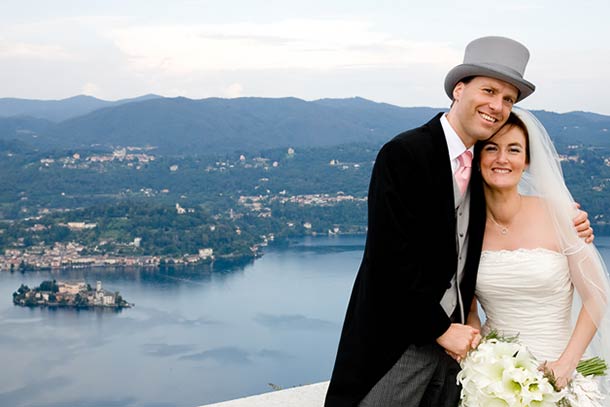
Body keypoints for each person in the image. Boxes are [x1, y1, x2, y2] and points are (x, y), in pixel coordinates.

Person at [324, 36, 594, 407]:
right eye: (489, 90)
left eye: (508, 99)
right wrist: (440, 330)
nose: (497, 105)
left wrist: (569, 218)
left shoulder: (482, 171)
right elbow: (388, 260)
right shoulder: (404, 154)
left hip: (463, 362)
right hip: (398, 347)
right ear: (458, 89)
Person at [468, 108, 610, 396]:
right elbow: (468, 309)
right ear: (478, 158)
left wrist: (566, 364)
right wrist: (479, 361)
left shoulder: (562, 216)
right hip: (492, 377)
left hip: (561, 371)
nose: (502, 159)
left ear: (527, 160)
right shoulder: (464, 226)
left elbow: (597, 295)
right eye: (492, 148)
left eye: (514, 149)